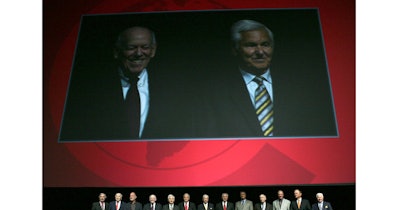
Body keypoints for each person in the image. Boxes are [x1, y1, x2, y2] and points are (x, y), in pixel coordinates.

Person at [195, 19, 337, 138]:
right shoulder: (214, 92)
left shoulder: (298, 88)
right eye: (251, 45)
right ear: (235, 49)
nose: (260, 52)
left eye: (265, 45)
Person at [60, 26, 192, 141]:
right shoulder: (92, 92)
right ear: (116, 51)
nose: (139, 54)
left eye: (145, 47)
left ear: (153, 51)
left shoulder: (172, 91)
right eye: (131, 48)